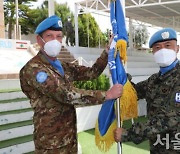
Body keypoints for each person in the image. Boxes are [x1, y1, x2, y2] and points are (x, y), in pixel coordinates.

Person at [19, 15, 123, 154]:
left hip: (69, 137)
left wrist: (107, 51)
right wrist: (107, 95)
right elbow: (66, 94)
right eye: (50, 36)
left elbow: (92, 73)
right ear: (39, 40)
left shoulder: (62, 66)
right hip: (50, 143)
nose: (55, 41)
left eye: (59, 36)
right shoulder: (34, 69)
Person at [113, 28, 180, 154]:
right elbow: (132, 93)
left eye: (167, 46)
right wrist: (122, 77)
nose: (162, 51)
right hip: (157, 147)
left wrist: (128, 134)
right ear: (153, 52)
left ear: (177, 48)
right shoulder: (154, 80)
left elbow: (168, 120)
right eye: (157, 47)